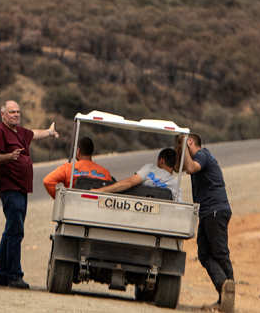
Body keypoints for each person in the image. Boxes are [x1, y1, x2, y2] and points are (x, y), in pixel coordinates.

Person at [0, 99, 59, 289]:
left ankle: (0, 275)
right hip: (9, 188)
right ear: (3, 114)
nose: (16, 115)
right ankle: (14, 275)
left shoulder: (20, 132)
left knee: (11, 230)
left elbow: (34, 134)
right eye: (12, 112)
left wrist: (50, 132)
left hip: (22, 188)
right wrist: (9, 157)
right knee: (16, 230)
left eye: (18, 112)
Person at [182, 133, 235, 313]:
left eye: (184, 144)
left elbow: (190, 167)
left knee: (219, 252)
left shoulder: (202, 155)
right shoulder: (196, 157)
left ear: (190, 142)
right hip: (208, 212)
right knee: (204, 253)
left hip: (215, 210)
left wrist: (182, 144)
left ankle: (228, 297)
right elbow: (178, 167)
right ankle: (225, 291)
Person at [92, 147, 180, 199]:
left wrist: (100, 191)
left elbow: (128, 183)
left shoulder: (150, 169)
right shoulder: (175, 183)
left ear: (161, 161)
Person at [43, 136, 113, 198]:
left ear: (78, 151)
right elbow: (110, 191)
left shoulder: (68, 168)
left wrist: (61, 199)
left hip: (73, 206)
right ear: (91, 152)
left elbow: (47, 181)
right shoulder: (104, 172)